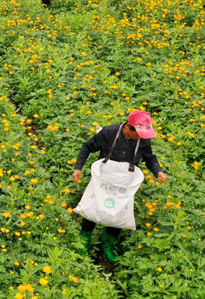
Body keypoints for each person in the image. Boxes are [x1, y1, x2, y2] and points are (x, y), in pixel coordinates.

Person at [72, 110, 168, 261]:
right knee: (93, 208)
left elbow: (150, 158)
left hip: (124, 182)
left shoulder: (143, 140)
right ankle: (83, 241)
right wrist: (78, 168)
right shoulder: (109, 132)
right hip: (102, 180)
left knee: (118, 213)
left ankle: (107, 246)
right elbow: (87, 147)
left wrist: (158, 172)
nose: (142, 137)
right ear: (129, 128)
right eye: (140, 133)